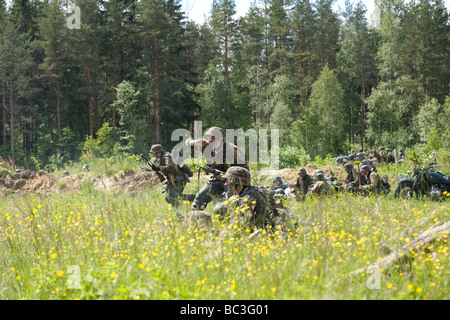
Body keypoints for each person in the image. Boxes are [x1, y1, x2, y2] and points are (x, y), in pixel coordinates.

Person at [185, 127, 249, 210]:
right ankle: (194, 217)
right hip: (216, 179)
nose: (208, 139)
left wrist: (228, 177)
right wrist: (195, 142)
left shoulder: (232, 150)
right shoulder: (206, 147)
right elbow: (187, 144)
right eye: (208, 136)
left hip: (232, 182)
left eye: (211, 137)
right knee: (200, 197)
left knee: (232, 202)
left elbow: (245, 171)